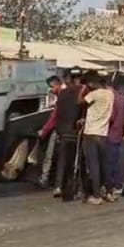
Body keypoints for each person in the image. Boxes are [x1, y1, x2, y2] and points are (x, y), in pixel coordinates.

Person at [78, 74, 116, 205]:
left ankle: (96, 195)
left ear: (93, 83)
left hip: (91, 133)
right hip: (103, 133)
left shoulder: (94, 94)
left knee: (93, 166)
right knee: (105, 165)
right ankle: (109, 192)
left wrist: (83, 89)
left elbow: (79, 101)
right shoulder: (110, 94)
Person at [51, 72, 86, 201]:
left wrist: (59, 130)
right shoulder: (83, 93)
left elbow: (58, 113)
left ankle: (58, 186)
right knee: (79, 161)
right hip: (76, 131)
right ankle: (79, 188)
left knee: (63, 160)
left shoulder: (62, 94)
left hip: (63, 131)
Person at [33, 74, 65, 188]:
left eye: (52, 87)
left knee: (49, 154)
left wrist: (44, 131)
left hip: (59, 129)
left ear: (58, 85)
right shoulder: (63, 95)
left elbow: (54, 118)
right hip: (65, 129)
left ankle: (45, 178)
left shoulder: (62, 96)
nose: (50, 89)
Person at [106, 81, 124, 196]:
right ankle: (117, 184)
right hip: (118, 133)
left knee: (110, 161)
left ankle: (115, 184)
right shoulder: (121, 99)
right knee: (114, 159)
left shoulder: (111, 99)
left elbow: (110, 117)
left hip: (109, 133)